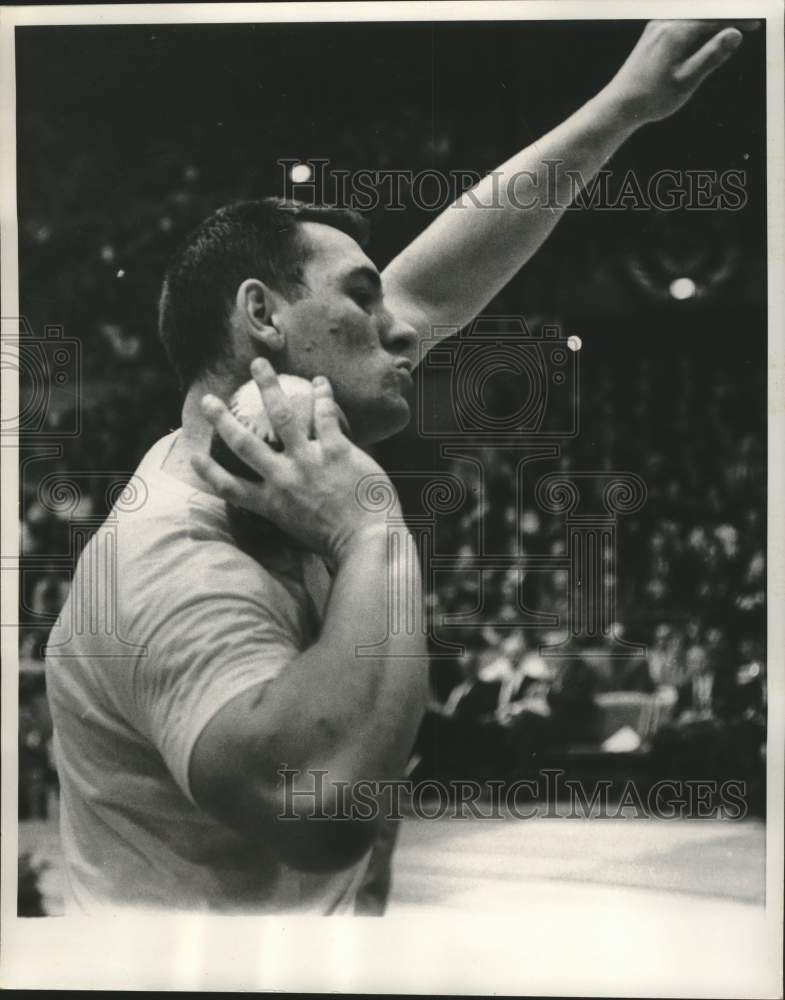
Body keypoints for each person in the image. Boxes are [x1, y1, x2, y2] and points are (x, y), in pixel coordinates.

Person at [45, 19, 755, 913]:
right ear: (262, 317)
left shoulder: (261, 448)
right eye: (362, 296)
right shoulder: (171, 559)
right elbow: (320, 812)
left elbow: (437, 286)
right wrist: (371, 527)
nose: (405, 326)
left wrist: (621, 108)